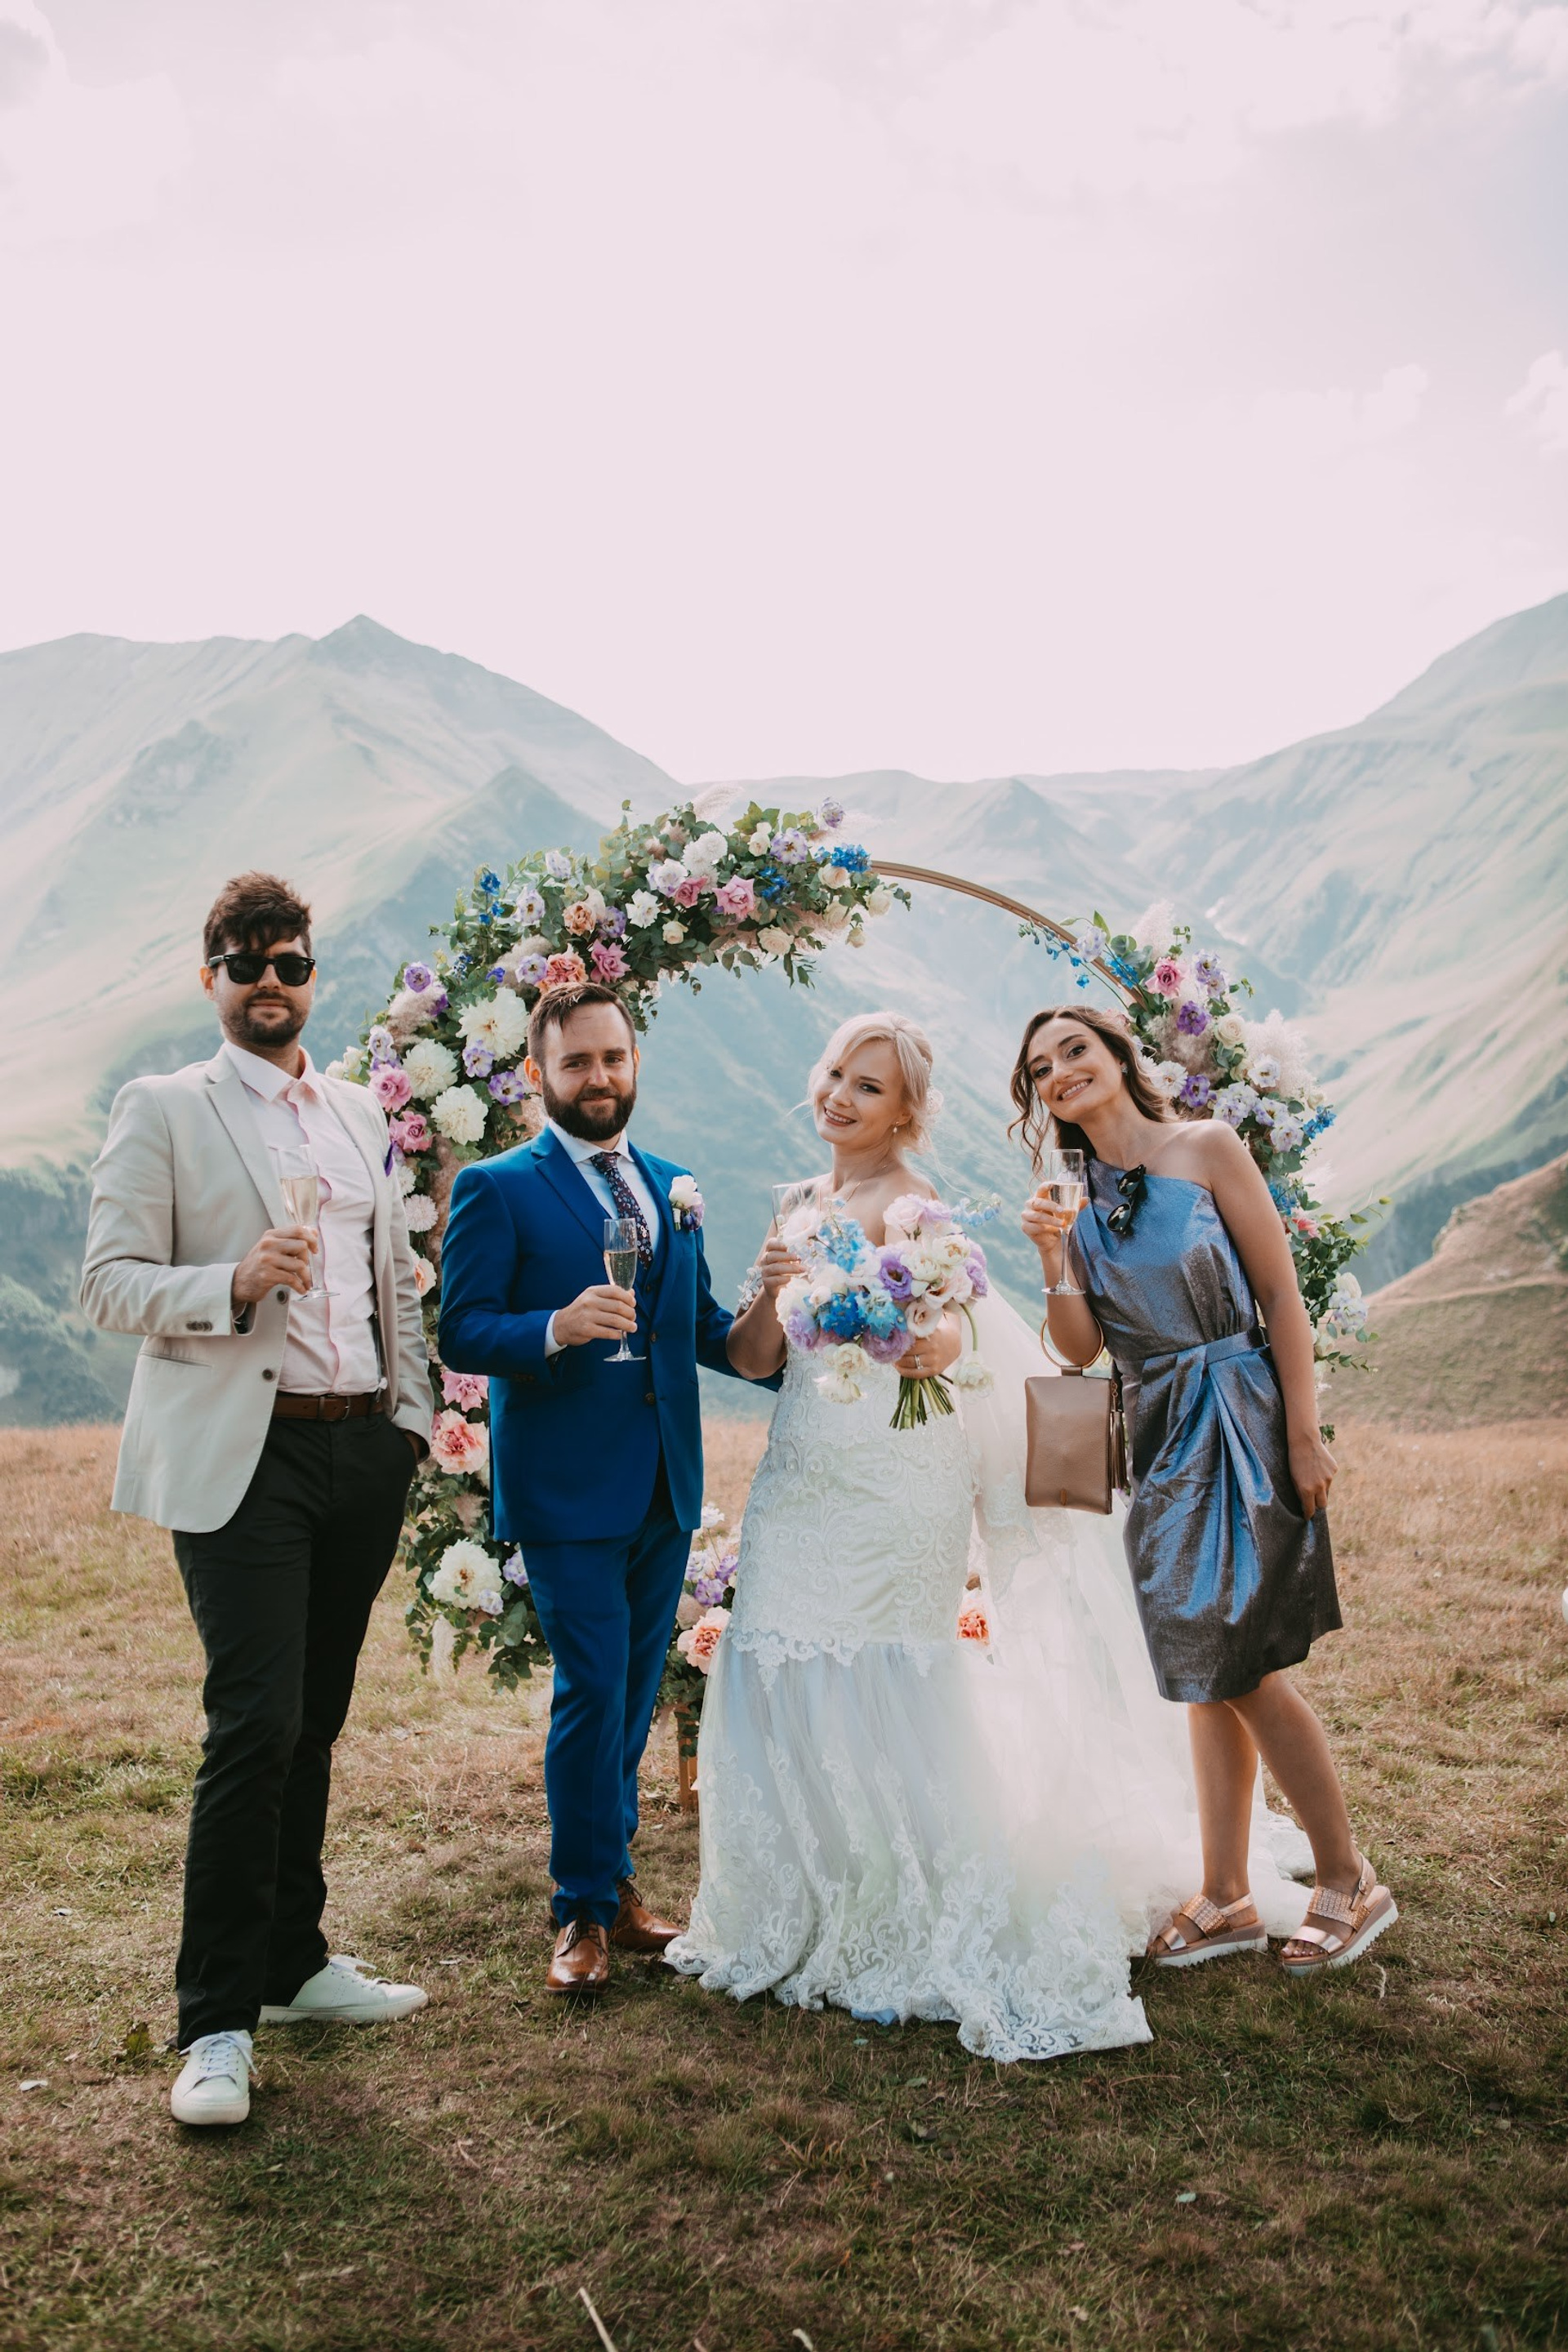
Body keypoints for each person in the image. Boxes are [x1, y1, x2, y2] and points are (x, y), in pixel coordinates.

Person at [665, 1012, 1156, 2061]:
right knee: (778, 1658)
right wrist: (765, 1278)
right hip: (803, 1475)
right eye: (837, 1072)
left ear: (907, 1112)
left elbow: (944, 1337)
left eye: (871, 1086)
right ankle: (804, 1903)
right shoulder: (798, 1204)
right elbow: (755, 1357)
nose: (842, 1095)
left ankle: (918, 1914)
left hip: (896, 1477)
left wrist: (899, 1328)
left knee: (892, 1674)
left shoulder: (919, 1208)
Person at [81, 872, 433, 2131]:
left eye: (289, 960)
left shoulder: (353, 1116)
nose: (268, 979)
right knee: (253, 1724)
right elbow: (110, 1283)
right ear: (209, 977)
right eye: (244, 961)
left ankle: (294, 1963)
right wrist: (227, 1280)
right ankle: (216, 2023)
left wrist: (411, 1413)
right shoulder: (165, 1107)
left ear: (312, 974)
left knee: (317, 1717)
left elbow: (392, 1272)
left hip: (360, 1448)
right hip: (246, 1454)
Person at [1015, 1003, 1396, 1976]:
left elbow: (1280, 1297)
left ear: (1116, 1057)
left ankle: (1348, 1879)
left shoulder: (1208, 1146)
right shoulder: (1073, 1196)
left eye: (1077, 1050)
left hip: (1240, 1410)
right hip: (1156, 1433)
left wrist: (1303, 1435)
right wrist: (1052, 1256)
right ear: (1038, 1099)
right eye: (1042, 1068)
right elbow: (1079, 1350)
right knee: (1200, 1662)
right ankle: (1225, 1892)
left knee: (1250, 1666)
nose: (1063, 1071)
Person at [437, 981, 777, 1997]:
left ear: (636, 1066)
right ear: (539, 1072)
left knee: (630, 1698)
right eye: (578, 1063)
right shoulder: (496, 1187)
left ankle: (619, 1888)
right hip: (565, 1487)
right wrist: (551, 1327)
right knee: (590, 1693)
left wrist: (782, 1306)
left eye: (614, 1060)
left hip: (666, 1483)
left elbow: (703, 1330)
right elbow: (461, 1328)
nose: (599, 1078)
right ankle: (579, 1911)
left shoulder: (674, 1184)